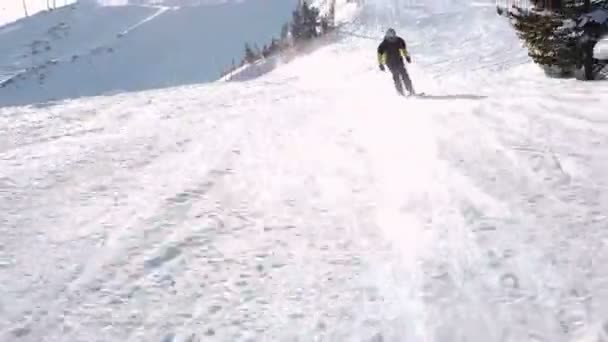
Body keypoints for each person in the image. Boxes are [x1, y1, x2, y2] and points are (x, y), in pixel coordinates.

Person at [377, 28, 415, 96]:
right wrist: (381, 64)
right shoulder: (384, 44)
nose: (392, 38)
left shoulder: (399, 41)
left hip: (399, 60)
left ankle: (411, 91)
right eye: (390, 37)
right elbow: (379, 54)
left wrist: (407, 57)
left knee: (404, 75)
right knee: (396, 76)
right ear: (387, 36)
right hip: (389, 62)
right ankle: (400, 93)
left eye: (393, 36)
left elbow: (404, 49)